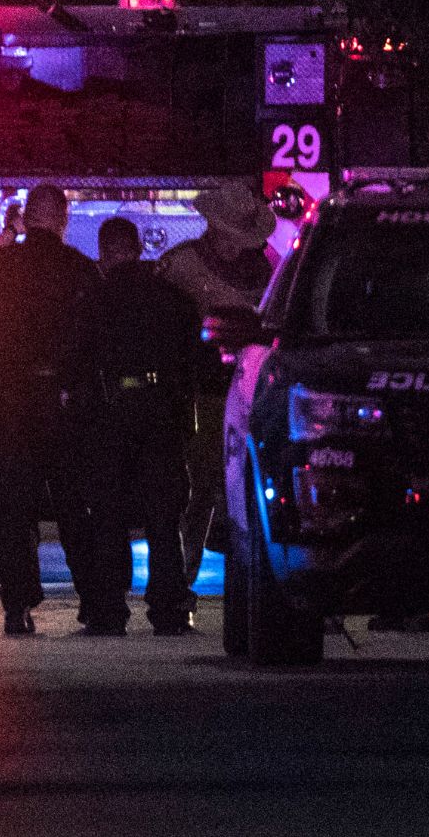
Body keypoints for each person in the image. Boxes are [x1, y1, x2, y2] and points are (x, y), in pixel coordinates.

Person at [0, 184, 105, 636]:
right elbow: (93, 338)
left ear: (27, 218)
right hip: (62, 404)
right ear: (62, 220)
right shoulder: (81, 270)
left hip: (10, 402)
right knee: (73, 509)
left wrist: (4, 237)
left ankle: (17, 606)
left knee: (15, 510)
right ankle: (95, 604)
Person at [70, 216, 203, 635]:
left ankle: (110, 610)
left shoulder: (94, 298)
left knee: (108, 514)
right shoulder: (170, 298)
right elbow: (191, 355)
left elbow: (79, 358)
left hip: (112, 411)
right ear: (138, 248)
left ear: (104, 253)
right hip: (161, 409)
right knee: (164, 515)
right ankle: (169, 608)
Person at [156, 180, 278, 584]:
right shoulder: (181, 267)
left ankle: (254, 579)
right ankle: (180, 580)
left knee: (251, 490)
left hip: (253, 393)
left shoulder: (267, 270)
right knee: (199, 488)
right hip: (202, 393)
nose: (237, 245)